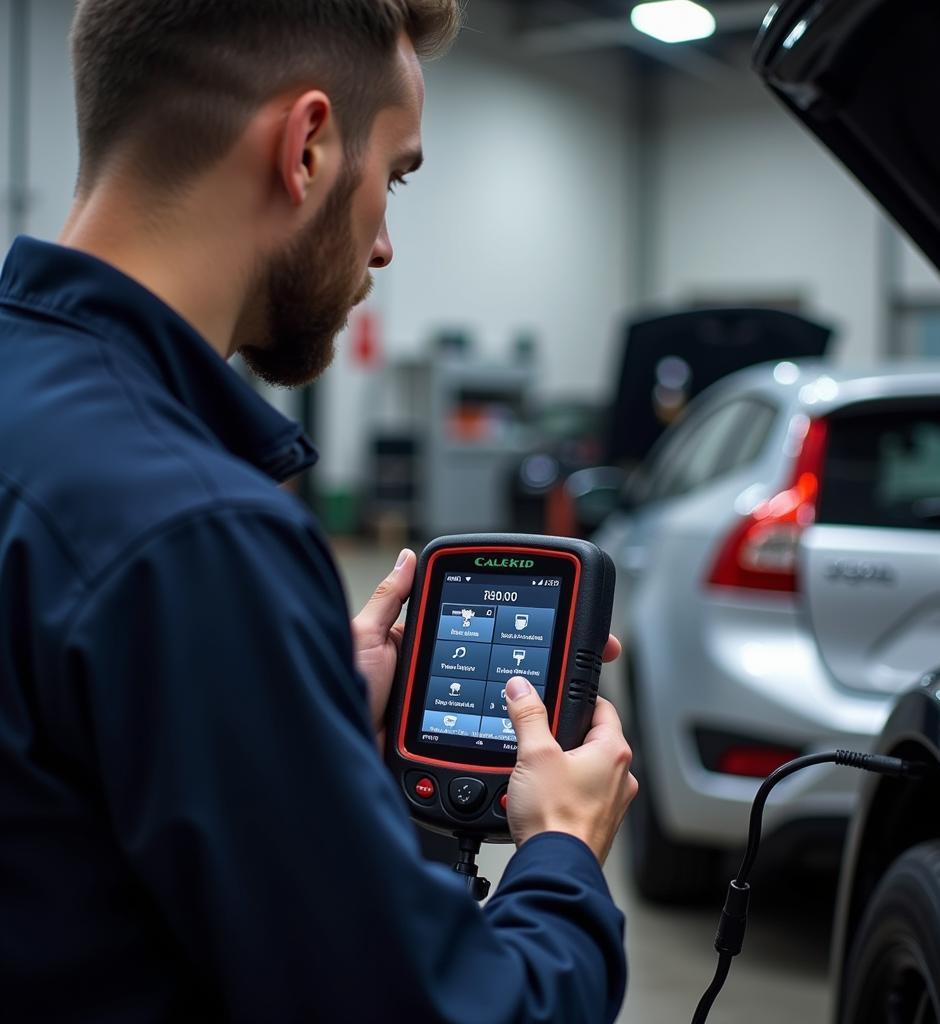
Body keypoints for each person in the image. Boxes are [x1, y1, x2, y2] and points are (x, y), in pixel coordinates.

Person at [0, 2, 639, 1021]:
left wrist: (292, 704)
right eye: (392, 179)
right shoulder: (197, 529)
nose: (383, 246)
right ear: (305, 148)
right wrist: (561, 848)